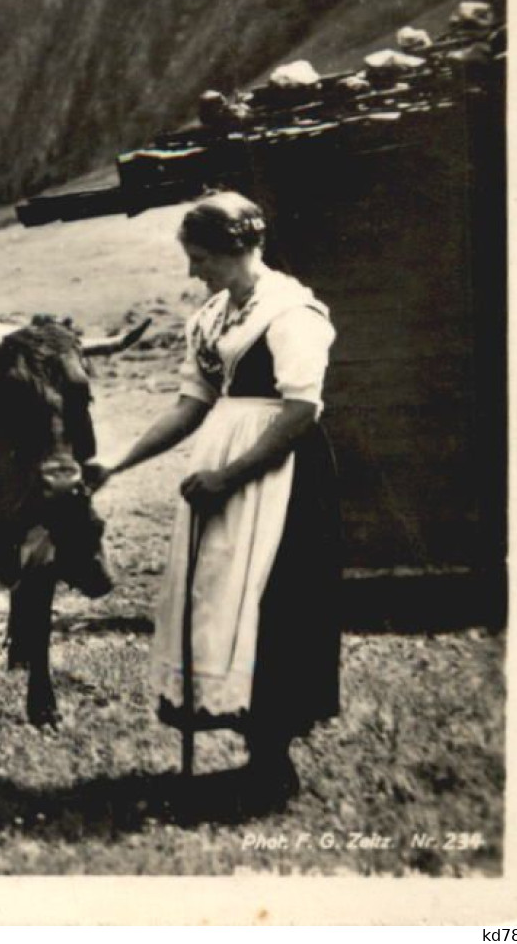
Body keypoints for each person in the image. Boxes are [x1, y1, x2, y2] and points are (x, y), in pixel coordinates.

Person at [85, 191, 342, 808]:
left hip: (281, 477)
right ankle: (250, 755)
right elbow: (189, 406)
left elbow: (301, 412)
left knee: (270, 604)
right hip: (221, 473)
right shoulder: (212, 318)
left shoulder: (292, 313)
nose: (193, 272)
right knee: (219, 596)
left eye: (201, 258)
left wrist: (230, 475)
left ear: (239, 249)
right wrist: (116, 463)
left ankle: (271, 765)